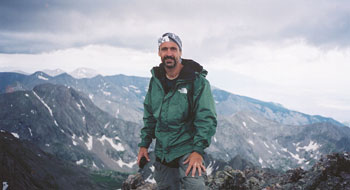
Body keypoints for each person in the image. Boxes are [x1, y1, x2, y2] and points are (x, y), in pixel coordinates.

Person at [137, 32, 217, 190]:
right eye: (164, 49)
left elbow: (206, 118)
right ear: (159, 53)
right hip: (163, 151)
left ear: (180, 52)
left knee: (195, 187)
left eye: (173, 49)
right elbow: (150, 116)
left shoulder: (197, 82)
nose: (169, 53)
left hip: (187, 148)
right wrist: (144, 144)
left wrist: (198, 151)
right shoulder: (156, 81)